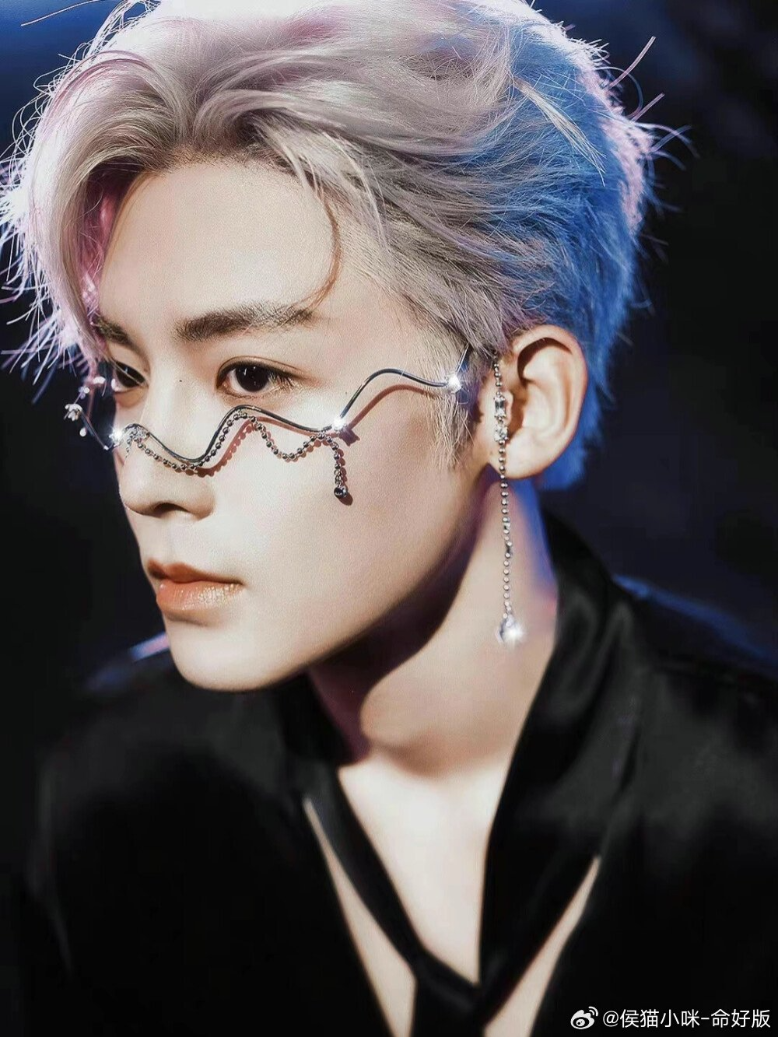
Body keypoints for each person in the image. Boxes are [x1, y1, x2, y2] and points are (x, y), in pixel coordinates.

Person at [3, 0, 777, 1034]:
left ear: (514, 404)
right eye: (126, 376)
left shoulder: (750, 800)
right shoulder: (113, 802)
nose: (147, 477)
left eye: (252, 375)